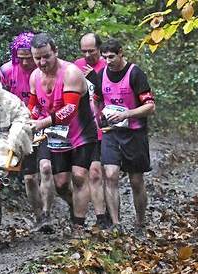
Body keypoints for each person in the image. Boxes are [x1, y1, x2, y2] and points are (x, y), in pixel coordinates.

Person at [28, 33, 97, 235]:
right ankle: (75, 206)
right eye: (37, 58)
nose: (42, 62)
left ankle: (78, 225)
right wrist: (30, 119)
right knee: (60, 184)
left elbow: (70, 110)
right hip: (56, 136)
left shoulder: (71, 73)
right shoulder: (35, 76)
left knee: (78, 177)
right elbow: (33, 106)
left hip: (81, 132)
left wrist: (42, 122)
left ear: (55, 52)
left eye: (46, 56)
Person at [93, 38, 155, 233]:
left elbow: (150, 106)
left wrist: (126, 113)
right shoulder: (101, 74)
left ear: (121, 53)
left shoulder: (135, 74)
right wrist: (99, 117)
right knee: (110, 175)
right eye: (104, 57)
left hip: (134, 132)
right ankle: (116, 225)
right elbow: (96, 100)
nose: (108, 61)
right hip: (111, 132)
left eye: (111, 56)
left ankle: (140, 222)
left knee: (136, 180)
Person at [0, 32, 56, 231]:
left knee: (46, 168)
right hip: (17, 128)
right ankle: (39, 216)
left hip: (42, 124)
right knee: (29, 177)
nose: (24, 62)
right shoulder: (6, 71)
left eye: (28, 58)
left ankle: (48, 213)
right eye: (20, 58)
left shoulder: (44, 70)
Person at [74, 33, 109, 229]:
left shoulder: (107, 65)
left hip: (103, 127)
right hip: (81, 128)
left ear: (100, 50)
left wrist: (95, 79)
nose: (87, 55)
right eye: (84, 51)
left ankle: (102, 217)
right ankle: (80, 217)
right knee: (80, 175)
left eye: (91, 51)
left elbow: (109, 94)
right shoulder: (76, 66)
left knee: (97, 173)